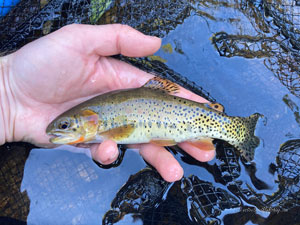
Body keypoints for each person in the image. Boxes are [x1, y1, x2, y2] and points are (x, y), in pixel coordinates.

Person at [0, 24, 215, 182]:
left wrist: (8, 89)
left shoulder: (104, 126)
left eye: (65, 125)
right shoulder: (98, 122)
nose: (59, 129)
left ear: (92, 119)